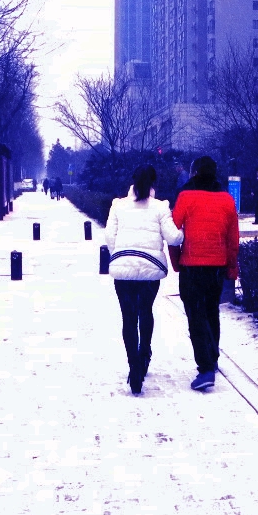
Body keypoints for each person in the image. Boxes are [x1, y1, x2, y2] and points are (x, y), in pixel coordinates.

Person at [105, 165, 184, 395]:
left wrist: (121, 255)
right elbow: (173, 238)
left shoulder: (118, 205)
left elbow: (109, 236)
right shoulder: (160, 207)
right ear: (153, 183)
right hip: (150, 270)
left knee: (128, 318)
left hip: (123, 270)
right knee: (145, 312)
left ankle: (134, 368)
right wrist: (184, 232)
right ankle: (144, 354)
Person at [171, 156, 240, 391]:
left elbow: (174, 234)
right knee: (211, 311)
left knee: (196, 316)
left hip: (192, 265)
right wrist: (231, 266)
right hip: (217, 266)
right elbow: (233, 239)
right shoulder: (227, 199)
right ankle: (213, 356)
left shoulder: (185, 197)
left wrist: (176, 262)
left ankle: (206, 369)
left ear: (194, 173)